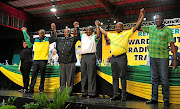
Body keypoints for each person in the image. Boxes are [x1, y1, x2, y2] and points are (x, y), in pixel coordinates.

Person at [95, 8, 145, 101]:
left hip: (122, 58)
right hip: (113, 59)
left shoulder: (126, 33)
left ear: (122, 28)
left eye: (118, 26)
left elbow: (136, 26)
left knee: (122, 77)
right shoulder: (112, 35)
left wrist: (142, 16)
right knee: (114, 77)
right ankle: (116, 94)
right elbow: (103, 32)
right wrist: (97, 26)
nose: (117, 28)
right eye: (116, 26)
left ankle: (123, 95)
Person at [139, 13, 177, 106]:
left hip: (163, 58)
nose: (157, 21)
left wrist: (175, 59)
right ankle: (154, 98)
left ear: (163, 19)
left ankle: (166, 99)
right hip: (153, 57)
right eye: (156, 19)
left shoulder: (167, 30)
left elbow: (172, 44)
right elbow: (138, 27)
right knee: (154, 79)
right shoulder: (151, 28)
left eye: (159, 19)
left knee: (164, 79)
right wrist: (141, 16)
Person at [51, 22, 80, 95]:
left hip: (70, 62)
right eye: (65, 32)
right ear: (63, 33)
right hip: (62, 62)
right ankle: (62, 92)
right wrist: (54, 29)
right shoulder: (60, 39)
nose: (66, 33)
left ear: (70, 33)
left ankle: (69, 92)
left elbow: (77, 36)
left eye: (68, 32)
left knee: (70, 79)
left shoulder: (72, 39)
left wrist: (76, 27)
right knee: (62, 78)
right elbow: (53, 38)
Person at [21, 27, 53, 93]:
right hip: (36, 60)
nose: (39, 35)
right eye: (38, 33)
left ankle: (41, 89)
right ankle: (31, 88)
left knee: (42, 75)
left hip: (43, 60)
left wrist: (53, 29)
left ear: (44, 33)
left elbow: (54, 37)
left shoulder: (47, 39)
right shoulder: (36, 40)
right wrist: (24, 32)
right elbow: (28, 39)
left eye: (41, 33)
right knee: (33, 75)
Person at [74, 24, 100, 98]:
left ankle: (92, 92)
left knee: (91, 75)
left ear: (92, 31)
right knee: (84, 75)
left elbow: (98, 34)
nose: (88, 31)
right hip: (83, 57)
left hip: (91, 56)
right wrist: (76, 27)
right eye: (87, 30)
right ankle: (84, 91)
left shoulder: (94, 37)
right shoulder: (83, 36)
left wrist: (97, 26)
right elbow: (76, 34)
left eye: (90, 30)